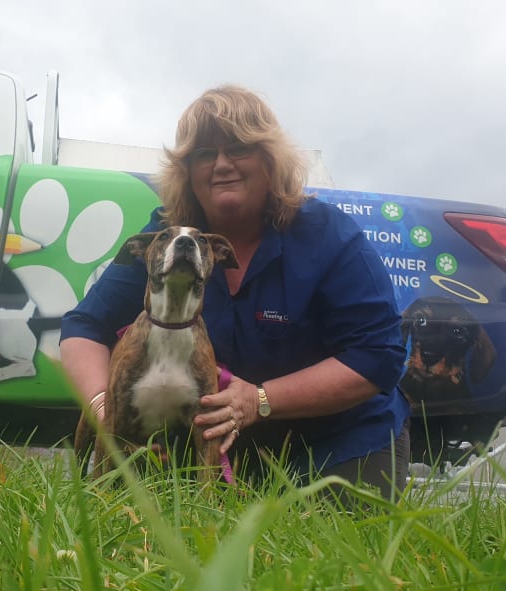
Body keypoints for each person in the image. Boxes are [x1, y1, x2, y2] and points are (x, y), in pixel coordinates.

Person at [59, 85, 410, 501]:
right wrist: (104, 407)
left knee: (330, 535)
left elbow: (377, 357)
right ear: (186, 171)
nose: (221, 164)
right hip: (216, 447)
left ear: (269, 159)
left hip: (338, 437)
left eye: (239, 148)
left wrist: (259, 400)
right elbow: (84, 327)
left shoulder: (329, 235)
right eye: (204, 154)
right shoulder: (170, 238)